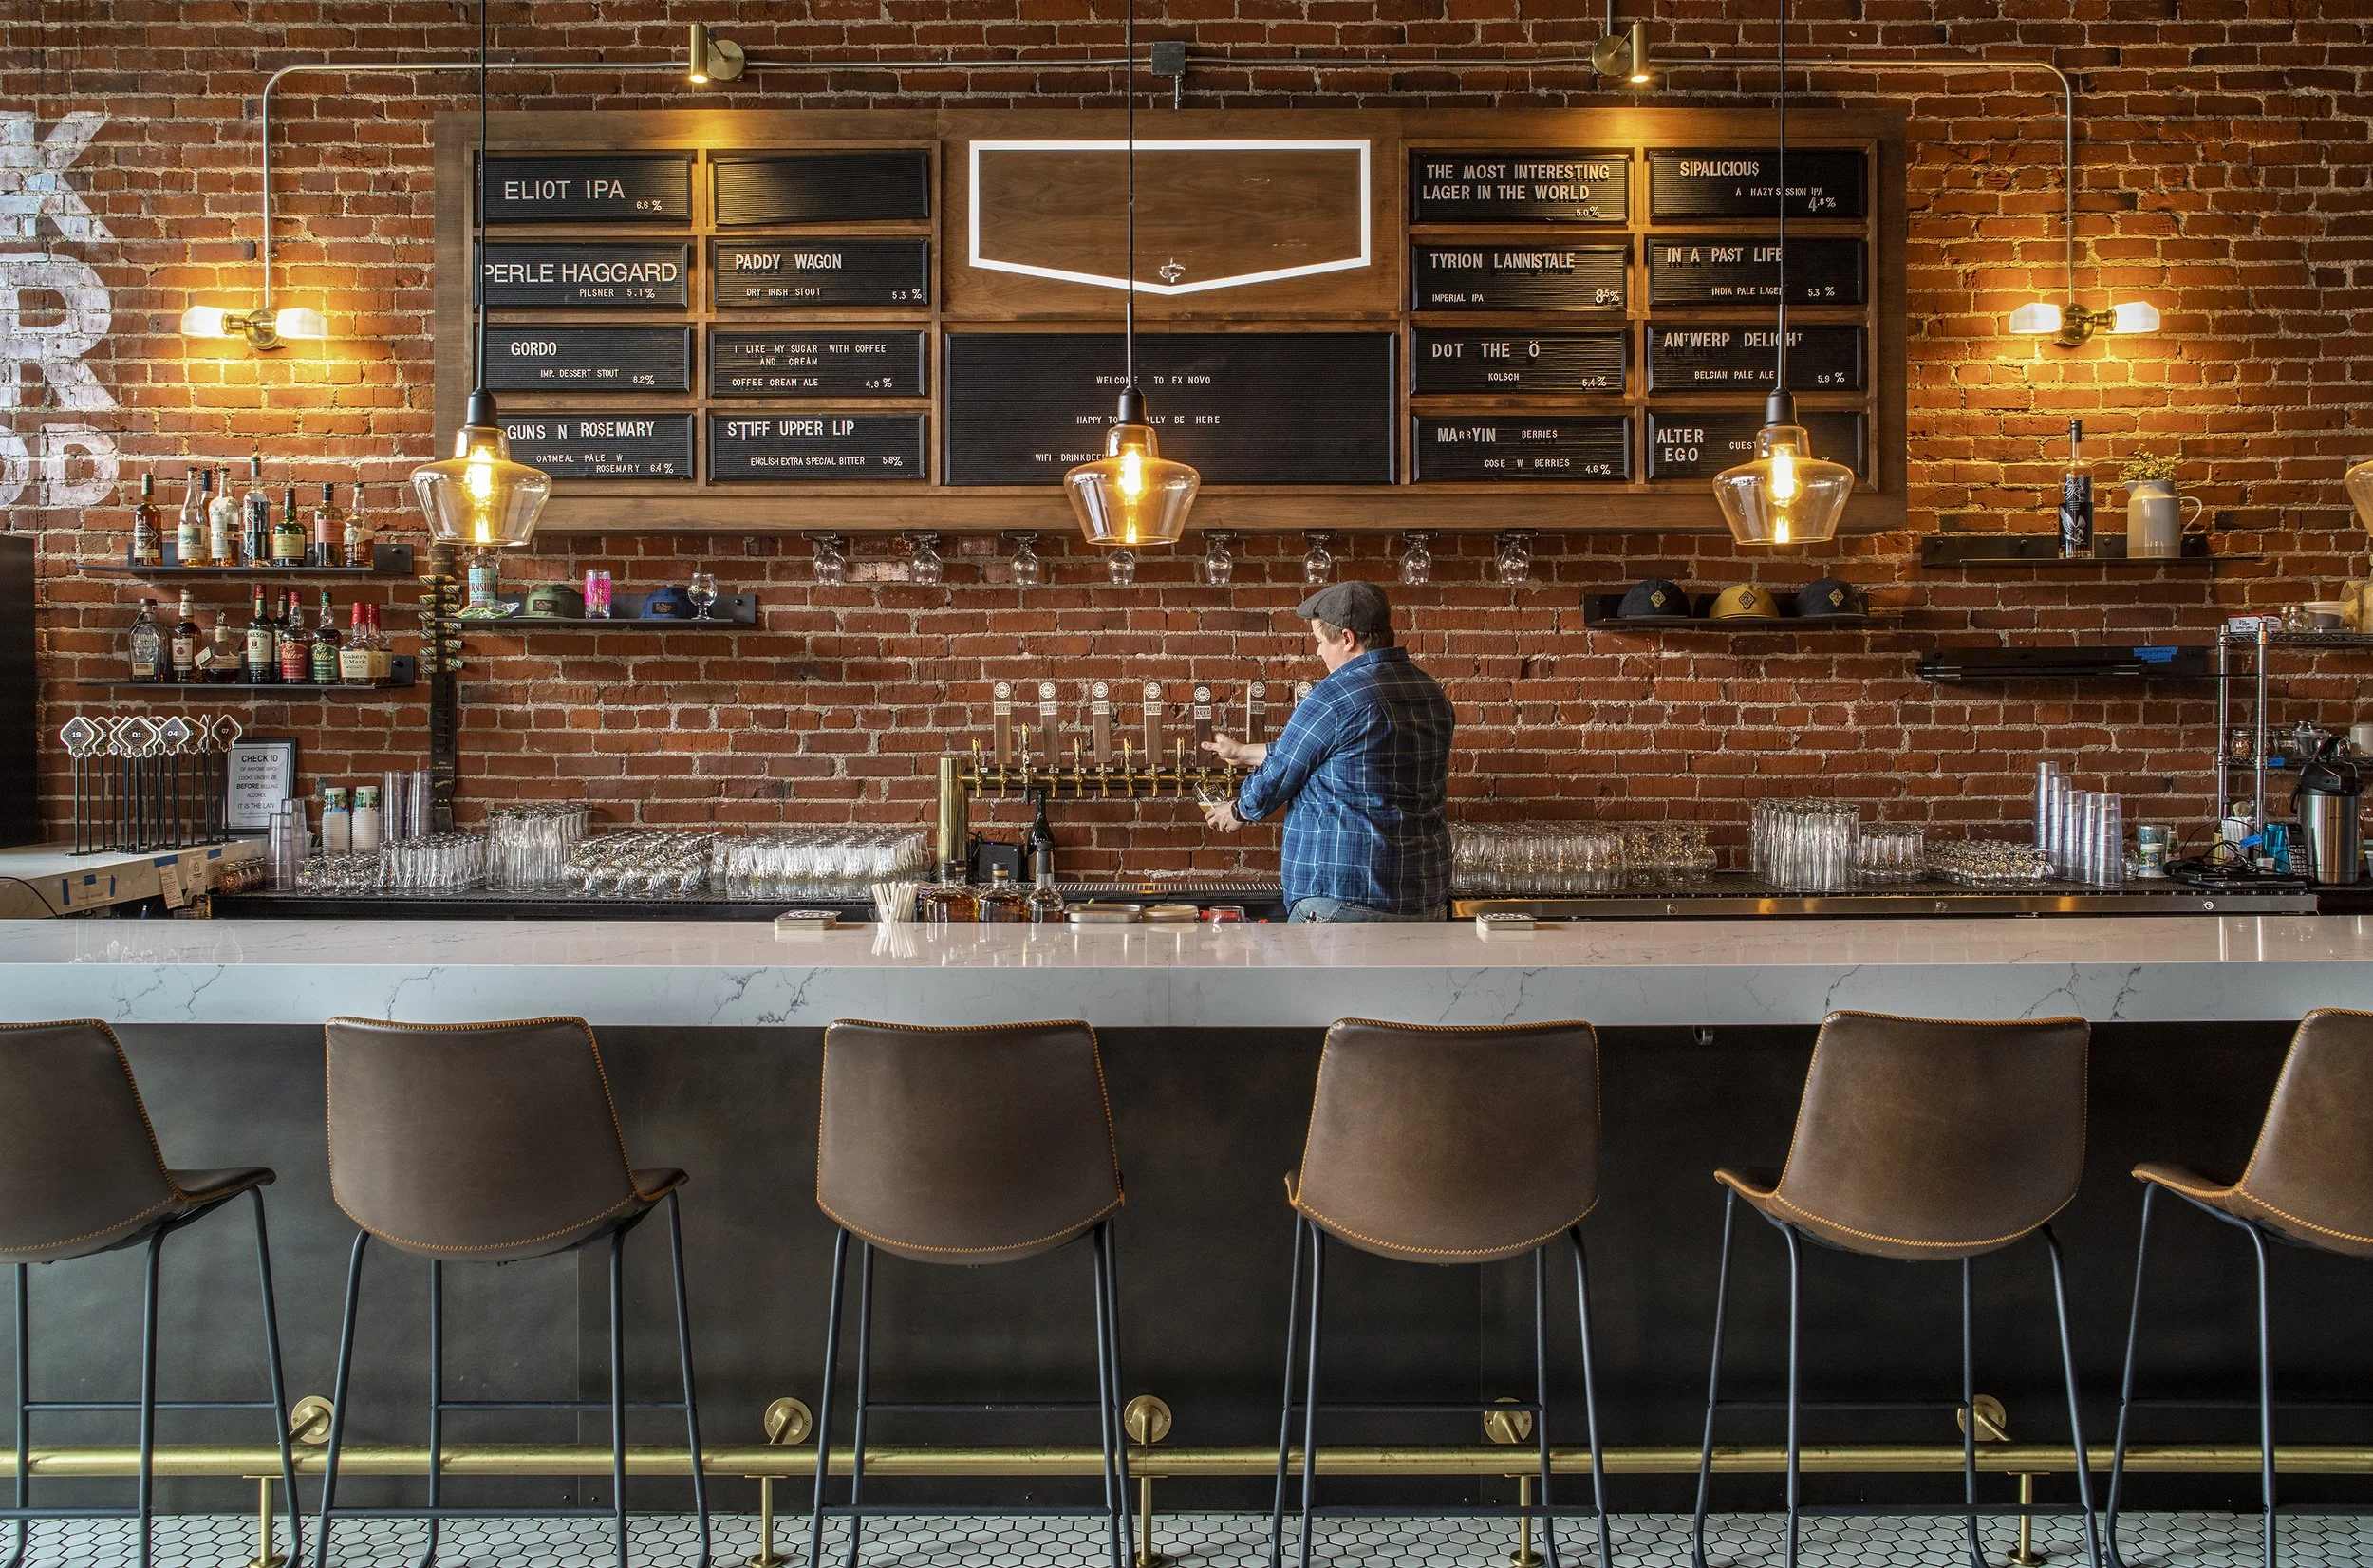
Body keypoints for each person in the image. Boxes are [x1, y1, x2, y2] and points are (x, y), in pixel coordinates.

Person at [1201, 581, 1455, 922]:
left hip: (1344, 897)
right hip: (1422, 895)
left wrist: (1237, 810)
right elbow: (1347, 754)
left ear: (1347, 639)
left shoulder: (1335, 696)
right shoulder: (1429, 691)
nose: (1318, 652)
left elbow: (1283, 771)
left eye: (1321, 641)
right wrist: (1245, 752)